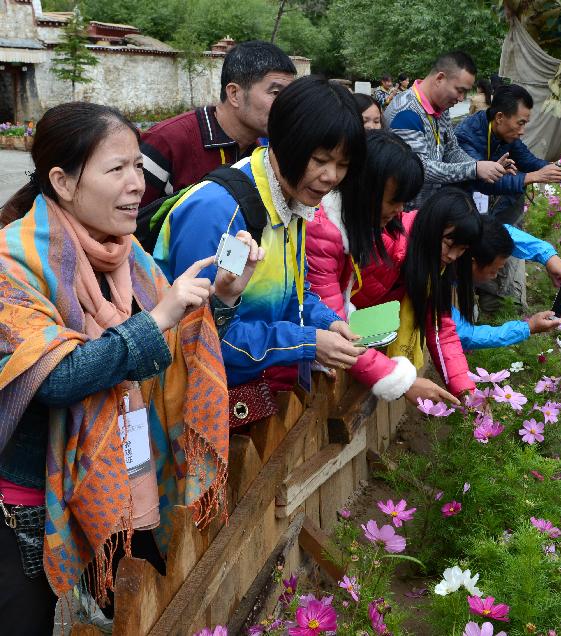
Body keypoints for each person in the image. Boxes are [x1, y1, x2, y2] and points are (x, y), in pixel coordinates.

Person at [0, 102, 262, 635]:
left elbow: (172, 358)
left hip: (127, 481)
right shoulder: (11, 264)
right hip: (30, 497)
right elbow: (54, 378)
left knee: (130, 614)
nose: (136, 184)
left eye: (138, 167)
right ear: (63, 181)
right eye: (116, 169)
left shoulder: (128, 256)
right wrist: (161, 318)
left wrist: (224, 298)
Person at [153, 75, 364, 397]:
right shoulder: (225, 214)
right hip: (193, 399)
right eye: (320, 161)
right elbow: (205, 334)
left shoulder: (293, 201)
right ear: (282, 141)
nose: (330, 177)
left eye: (342, 165)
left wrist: (325, 321)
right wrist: (306, 343)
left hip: (243, 388)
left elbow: (294, 290)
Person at [307, 130, 458, 403]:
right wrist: (403, 382)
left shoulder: (359, 228)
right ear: (365, 187)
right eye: (393, 200)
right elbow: (335, 326)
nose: (399, 210)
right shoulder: (323, 233)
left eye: (404, 202)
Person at [350, 188, 486, 399]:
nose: (452, 256)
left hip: (361, 344)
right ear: (432, 227)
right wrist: (402, 382)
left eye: (461, 250)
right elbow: (340, 317)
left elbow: (440, 327)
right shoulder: (387, 248)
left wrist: (466, 390)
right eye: (449, 244)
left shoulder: (434, 265)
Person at [139, 41, 297, 206]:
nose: (288, 104)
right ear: (234, 94)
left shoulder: (260, 156)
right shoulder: (168, 141)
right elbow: (122, 219)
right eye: (276, 93)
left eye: (291, 95)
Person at [384, 51, 511, 209]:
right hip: (402, 212)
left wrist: (485, 167)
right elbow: (421, 169)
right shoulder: (406, 112)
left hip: (427, 208)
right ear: (439, 78)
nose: (461, 99)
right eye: (460, 90)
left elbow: (451, 150)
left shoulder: (441, 108)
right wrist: (475, 169)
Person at [455, 83, 561, 224]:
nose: (522, 131)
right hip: (461, 204)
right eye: (520, 123)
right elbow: (483, 180)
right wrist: (532, 176)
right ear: (499, 117)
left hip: (493, 201)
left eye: (525, 124)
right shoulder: (466, 135)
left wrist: (553, 168)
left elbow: (527, 160)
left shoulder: (506, 134)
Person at [454, 217, 561, 350]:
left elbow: (502, 233)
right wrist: (528, 327)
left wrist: (548, 256)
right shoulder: (438, 286)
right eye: (495, 270)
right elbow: (464, 335)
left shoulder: (464, 234)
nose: (495, 276)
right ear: (473, 262)